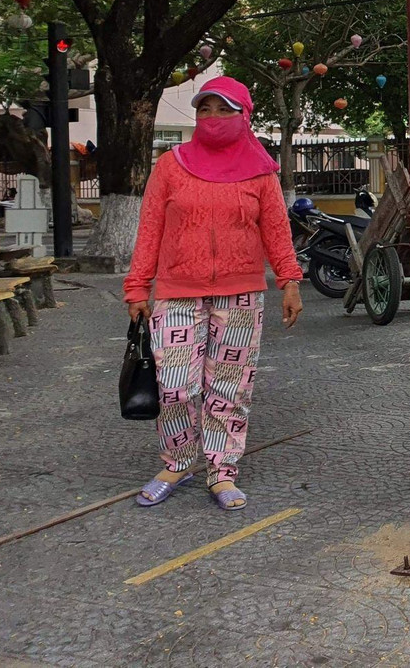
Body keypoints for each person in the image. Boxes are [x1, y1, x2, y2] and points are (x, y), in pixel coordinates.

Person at [123, 77, 304, 512]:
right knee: (174, 386)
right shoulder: (171, 165)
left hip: (240, 295)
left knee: (229, 388)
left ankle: (222, 472)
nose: (213, 118)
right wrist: (136, 286)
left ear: (244, 115)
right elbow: (149, 229)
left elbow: (276, 230)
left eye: (225, 110)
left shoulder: (261, 171)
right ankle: (178, 461)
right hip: (176, 293)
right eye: (205, 109)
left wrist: (290, 281)